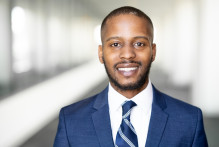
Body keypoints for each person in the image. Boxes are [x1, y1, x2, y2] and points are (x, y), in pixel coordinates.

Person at [54, 6, 208, 147]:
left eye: (139, 44)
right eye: (115, 44)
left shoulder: (190, 120)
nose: (127, 55)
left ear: (153, 52)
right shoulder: (71, 120)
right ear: (101, 53)